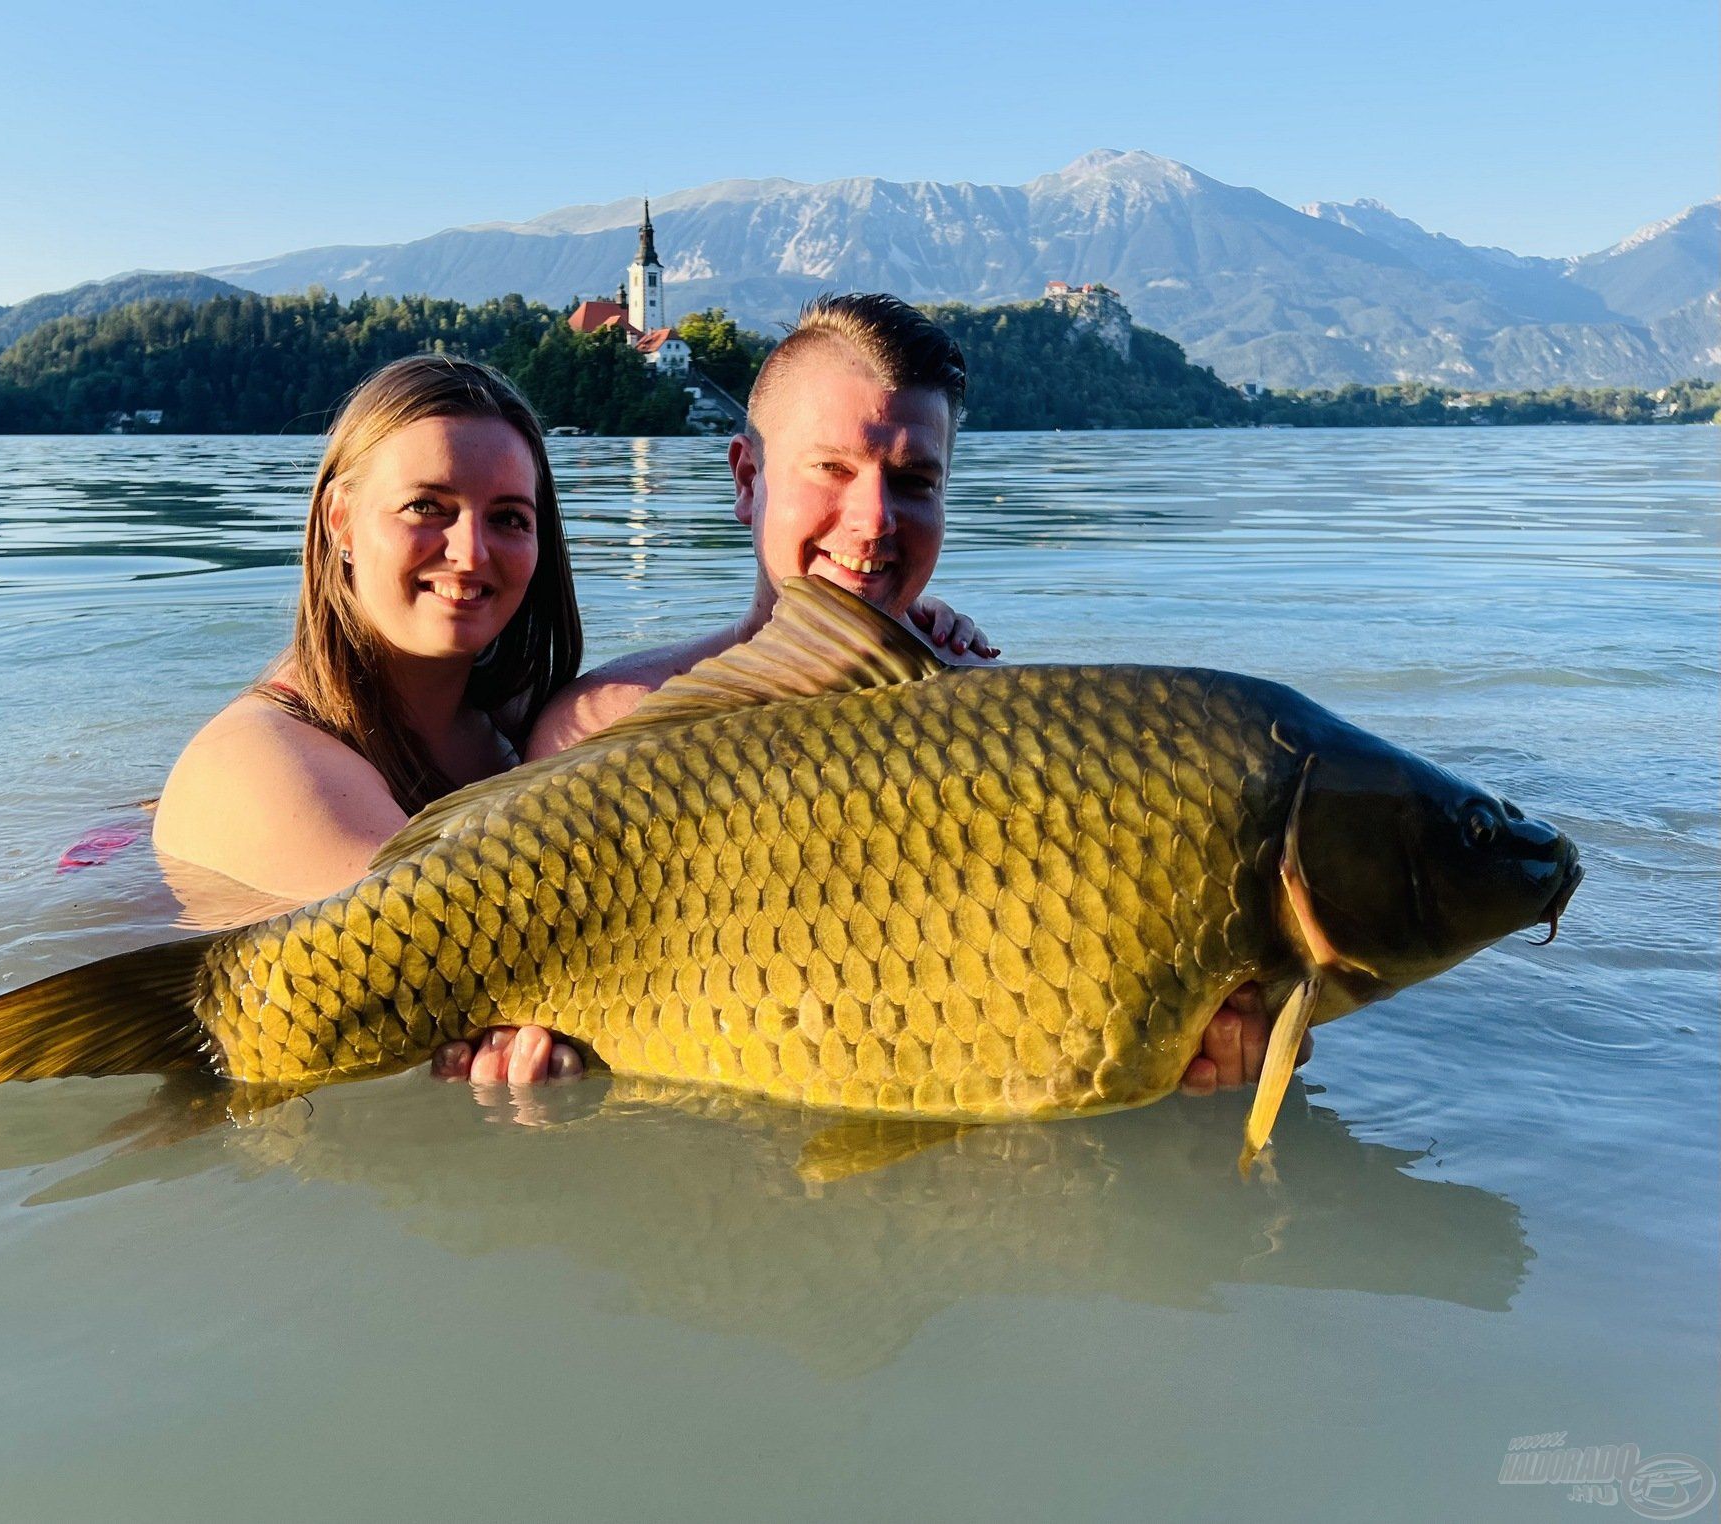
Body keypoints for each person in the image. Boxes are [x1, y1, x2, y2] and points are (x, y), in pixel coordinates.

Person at [522, 292, 1308, 1095]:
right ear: (748, 478)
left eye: (914, 480)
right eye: (832, 468)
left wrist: (1212, 1064)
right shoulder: (597, 732)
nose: (872, 520)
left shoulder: (1026, 761)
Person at [153, 353, 587, 1083]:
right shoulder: (264, 766)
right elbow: (454, 966)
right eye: (428, 507)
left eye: (509, 518)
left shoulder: (519, 726)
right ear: (342, 522)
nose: (471, 551)